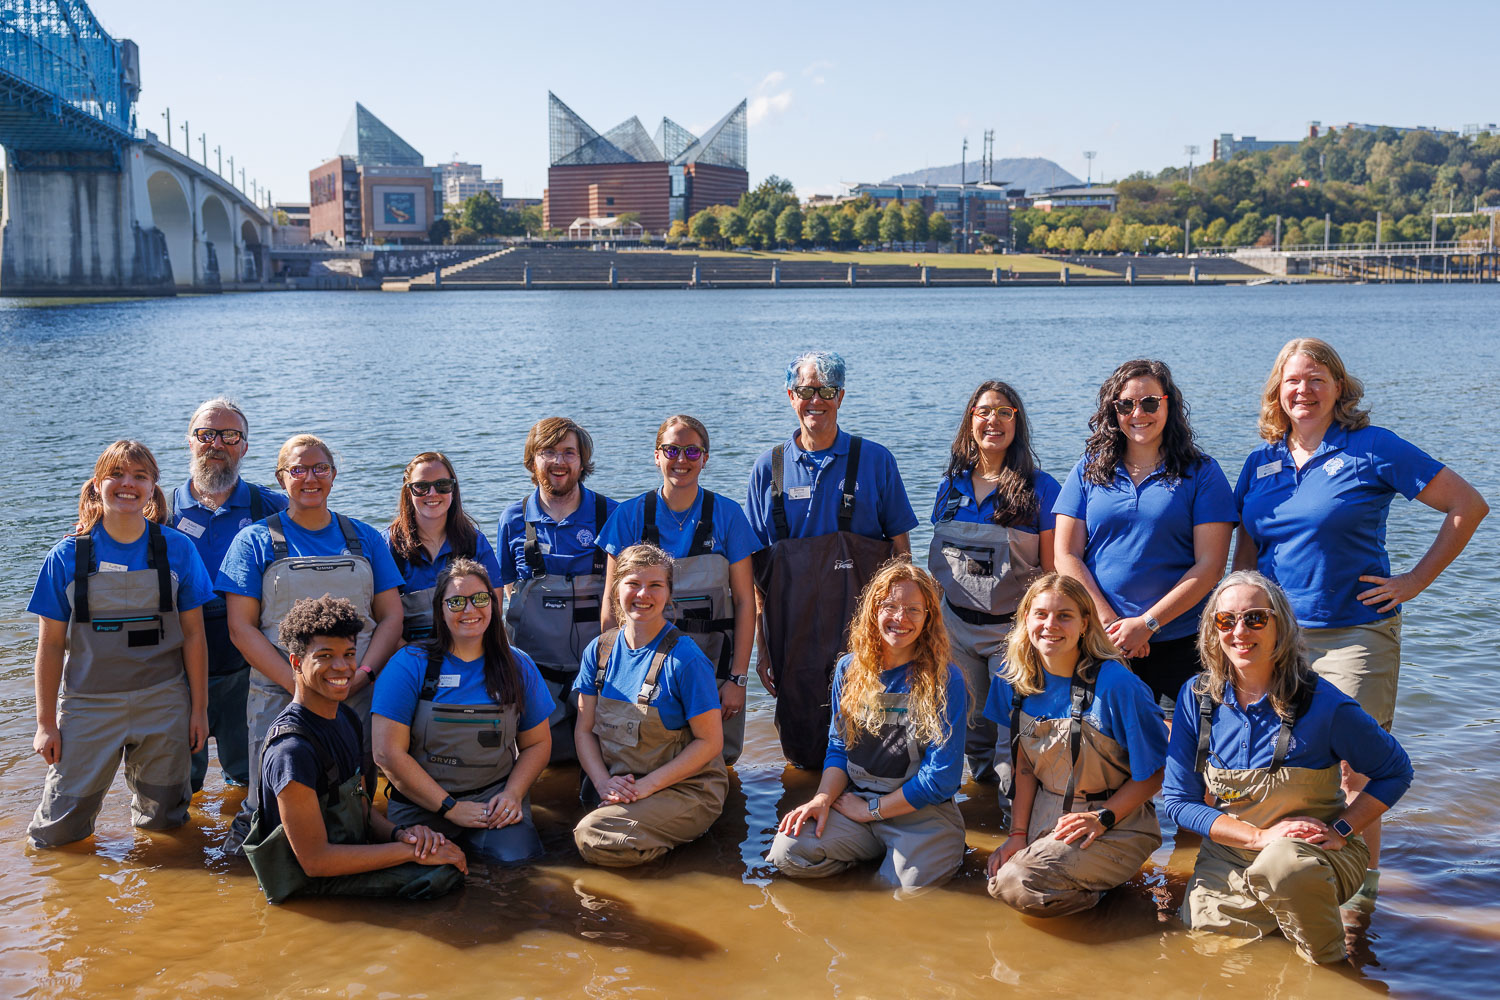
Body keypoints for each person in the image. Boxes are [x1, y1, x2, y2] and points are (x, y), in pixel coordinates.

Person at [1233, 337, 1486, 892]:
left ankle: (1360, 897)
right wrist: (1239, 621)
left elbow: (1467, 506)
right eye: (1293, 380)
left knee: (1356, 769)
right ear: (1277, 390)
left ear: (1339, 388)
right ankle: (1293, 879)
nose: (1304, 390)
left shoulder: (1373, 447)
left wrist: (1414, 581)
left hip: (1355, 634)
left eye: (1317, 378)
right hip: (1278, 641)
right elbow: (1246, 555)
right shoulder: (1261, 462)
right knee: (1286, 764)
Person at [1163, 571, 1413, 964]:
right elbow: (1178, 801)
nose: (1240, 630)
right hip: (1231, 855)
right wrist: (1256, 837)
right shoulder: (1196, 698)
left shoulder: (1325, 703)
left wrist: (1343, 829)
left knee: (1284, 866)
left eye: (1255, 618)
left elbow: (1396, 771)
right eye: (1225, 620)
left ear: (1281, 626)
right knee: (1204, 952)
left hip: (1311, 858)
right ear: (1212, 632)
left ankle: (1332, 966)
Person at [216, 433, 404, 852]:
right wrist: (297, 684)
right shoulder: (253, 542)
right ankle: (265, 863)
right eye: (298, 469)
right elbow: (240, 629)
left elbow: (391, 617)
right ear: (282, 479)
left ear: (334, 475)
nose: (310, 477)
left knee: (354, 791)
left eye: (320, 468)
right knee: (270, 796)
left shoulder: (366, 538)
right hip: (279, 693)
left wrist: (364, 674)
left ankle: (351, 865)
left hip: (354, 690)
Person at [27, 440, 213, 847]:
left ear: (152, 488)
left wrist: (198, 709)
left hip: (164, 702)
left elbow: (195, 636)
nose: (127, 484)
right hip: (88, 706)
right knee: (58, 833)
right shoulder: (66, 556)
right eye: (116, 475)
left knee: (166, 827)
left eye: (140, 477)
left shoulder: (178, 549)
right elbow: (51, 645)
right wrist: (45, 724)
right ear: (97, 484)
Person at [747, 350, 919, 769]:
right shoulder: (767, 468)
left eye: (826, 391)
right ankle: (805, 811)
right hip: (793, 632)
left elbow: (902, 557)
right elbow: (754, 573)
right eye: (806, 391)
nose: (816, 400)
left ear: (840, 396)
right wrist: (763, 650)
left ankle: (874, 809)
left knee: (876, 743)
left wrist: (908, 638)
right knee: (804, 749)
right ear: (791, 395)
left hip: (865, 626)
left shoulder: (875, 460)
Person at [241, 595, 466, 903]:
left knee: (443, 851)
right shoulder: (291, 751)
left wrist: (405, 835)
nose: (341, 667)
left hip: (345, 859)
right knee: (441, 876)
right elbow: (315, 862)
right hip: (309, 882)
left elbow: (361, 814)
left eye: (348, 654)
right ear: (296, 662)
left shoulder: (346, 717)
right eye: (325, 656)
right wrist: (409, 853)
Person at [767, 559, 967, 894]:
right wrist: (822, 799)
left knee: (901, 897)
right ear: (873, 611)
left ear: (929, 617)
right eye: (890, 606)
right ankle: (869, 855)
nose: (900, 618)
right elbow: (838, 747)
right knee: (788, 853)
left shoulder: (946, 679)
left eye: (913, 610)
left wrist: (872, 811)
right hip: (856, 802)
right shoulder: (849, 668)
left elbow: (941, 778)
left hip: (920, 814)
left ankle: (923, 852)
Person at [1054, 359, 1236, 719]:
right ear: (1113, 411)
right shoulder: (1089, 468)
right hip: (1100, 641)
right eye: (1126, 405)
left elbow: (1211, 565)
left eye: (1150, 403)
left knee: (1176, 752)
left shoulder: (1202, 473)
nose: (1138, 413)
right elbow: (1065, 554)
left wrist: (1148, 624)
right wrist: (1110, 626)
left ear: (1169, 405)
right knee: (1102, 749)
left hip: (1180, 642)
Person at [984, 573, 1167, 915]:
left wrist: (1102, 817)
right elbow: (1023, 766)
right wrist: (1017, 834)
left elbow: (1156, 773)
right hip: (1047, 810)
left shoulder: (1117, 685)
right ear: (1026, 619)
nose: (1050, 625)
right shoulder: (1013, 678)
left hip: (1115, 820)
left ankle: (1103, 898)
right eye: (1041, 614)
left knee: (1015, 882)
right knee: (995, 879)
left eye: (1064, 616)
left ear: (1085, 623)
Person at [597, 415, 760, 765]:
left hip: (714, 667)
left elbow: (747, 603)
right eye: (671, 449)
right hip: (645, 670)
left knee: (716, 761)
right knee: (644, 758)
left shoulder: (729, 515)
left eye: (692, 451)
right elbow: (611, 607)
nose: (681, 459)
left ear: (705, 458)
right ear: (657, 456)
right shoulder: (628, 516)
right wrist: (613, 674)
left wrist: (738, 679)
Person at [372, 558, 554, 864]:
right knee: (425, 881)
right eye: (456, 602)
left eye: (480, 599)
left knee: (518, 865)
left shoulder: (518, 664)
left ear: (494, 605)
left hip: (491, 803)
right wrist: (450, 808)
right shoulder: (409, 664)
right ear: (440, 611)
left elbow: (537, 744)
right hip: (421, 806)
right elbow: (386, 753)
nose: (469, 610)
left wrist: (512, 795)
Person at [929, 380, 1060, 783]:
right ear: (971, 420)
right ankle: (982, 814)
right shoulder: (950, 486)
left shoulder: (1041, 489)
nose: (994, 420)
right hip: (957, 629)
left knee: (1013, 735)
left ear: (1017, 424)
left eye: (1005, 412)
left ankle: (1012, 818)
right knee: (971, 731)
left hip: (1012, 631)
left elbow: (1053, 575)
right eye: (984, 411)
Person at [573, 544, 726, 867]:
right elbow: (584, 731)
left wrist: (644, 788)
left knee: (590, 835)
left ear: (669, 594)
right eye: (633, 583)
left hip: (687, 790)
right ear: (617, 589)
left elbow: (711, 742)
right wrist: (602, 782)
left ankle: (676, 863)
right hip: (622, 785)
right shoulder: (598, 651)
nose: (643, 594)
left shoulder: (687, 660)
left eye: (655, 585)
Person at [167, 397, 289, 794]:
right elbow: (112, 535)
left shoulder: (270, 508)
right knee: (175, 789)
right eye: (206, 434)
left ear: (245, 446)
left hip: (249, 668)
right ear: (190, 441)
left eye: (229, 435)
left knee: (251, 780)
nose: (216, 443)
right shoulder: (160, 511)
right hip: (176, 670)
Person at [497, 417, 618, 762]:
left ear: (582, 461)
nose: (559, 462)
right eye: (548, 452)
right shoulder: (512, 519)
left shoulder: (611, 514)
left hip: (597, 673)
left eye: (569, 452)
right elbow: (505, 592)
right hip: (537, 676)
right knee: (545, 761)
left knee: (603, 759)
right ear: (532, 461)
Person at [383, 451, 504, 644]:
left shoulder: (475, 543)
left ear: (453, 490)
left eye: (442, 485)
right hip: (406, 655)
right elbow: (379, 619)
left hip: (468, 650)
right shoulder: (387, 546)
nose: (432, 493)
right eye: (421, 487)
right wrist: (415, 663)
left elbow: (492, 614)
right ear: (408, 491)